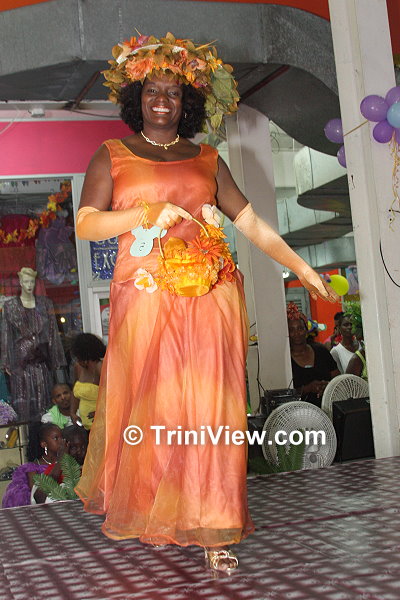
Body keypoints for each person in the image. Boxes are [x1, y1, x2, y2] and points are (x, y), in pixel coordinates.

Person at [74, 32, 337, 573]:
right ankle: (159, 511)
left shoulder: (208, 158)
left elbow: (250, 222)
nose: (162, 100)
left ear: (187, 100)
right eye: (153, 90)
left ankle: (216, 526)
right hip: (147, 301)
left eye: (173, 91)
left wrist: (302, 267)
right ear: (137, 97)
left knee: (214, 410)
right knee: (159, 411)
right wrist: (146, 213)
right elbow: (86, 224)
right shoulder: (112, 155)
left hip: (211, 296)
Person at [0, 267, 66, 421]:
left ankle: (47, 428)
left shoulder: (45, 304)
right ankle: (27, 432)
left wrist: (56, 359)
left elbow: (52, 333)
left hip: (41, 362)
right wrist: (6, 361)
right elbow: (6, 334)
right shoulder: (10, 307)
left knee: (45, 401)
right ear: (20, 283)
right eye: (26, 281)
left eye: (31, 282)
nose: (29, 285)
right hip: (20, 365)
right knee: (24, 403)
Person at [287, 303, 339, 407]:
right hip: (299, 412)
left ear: (306, 330)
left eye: (300, 328)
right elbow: (284, 394)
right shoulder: (286, 360)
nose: (297, 333)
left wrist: (328, 386)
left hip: (328, 407)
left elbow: (337, 377)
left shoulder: (321, 351)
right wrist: (308, 388)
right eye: (292, 330)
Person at [2, 423, 65, 508]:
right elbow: (36, 496)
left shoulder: (68, 460)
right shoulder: (33, 468)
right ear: (44, 444)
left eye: (62, 437)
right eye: (56, 438)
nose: (61, 442)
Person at [70, 333, 105, 430]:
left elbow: (113, 396)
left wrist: (100, 412)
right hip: (84, 425)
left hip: (101, 425)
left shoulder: (100, 368)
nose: (78, 361)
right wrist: (72, 413)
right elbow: (74, 392)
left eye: (79, 358)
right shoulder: (78, 367)